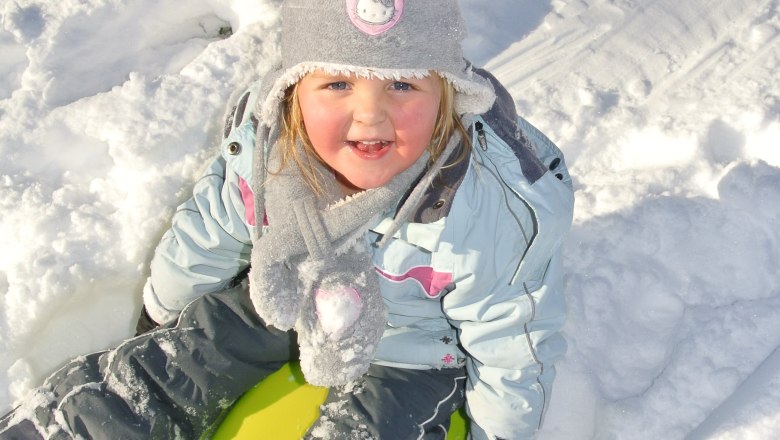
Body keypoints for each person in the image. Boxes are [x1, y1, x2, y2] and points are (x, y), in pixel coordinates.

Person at [0, 0, 574, 438]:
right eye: (338, 83)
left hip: (414, 352)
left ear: (447, 94)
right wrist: (162, 317)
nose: (370, 114)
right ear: (296, 91)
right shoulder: (270, 159)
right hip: (283, 299)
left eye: (403, 83)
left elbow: (512, 338)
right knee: (178, 367)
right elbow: (208, 229)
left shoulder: (483, 210)